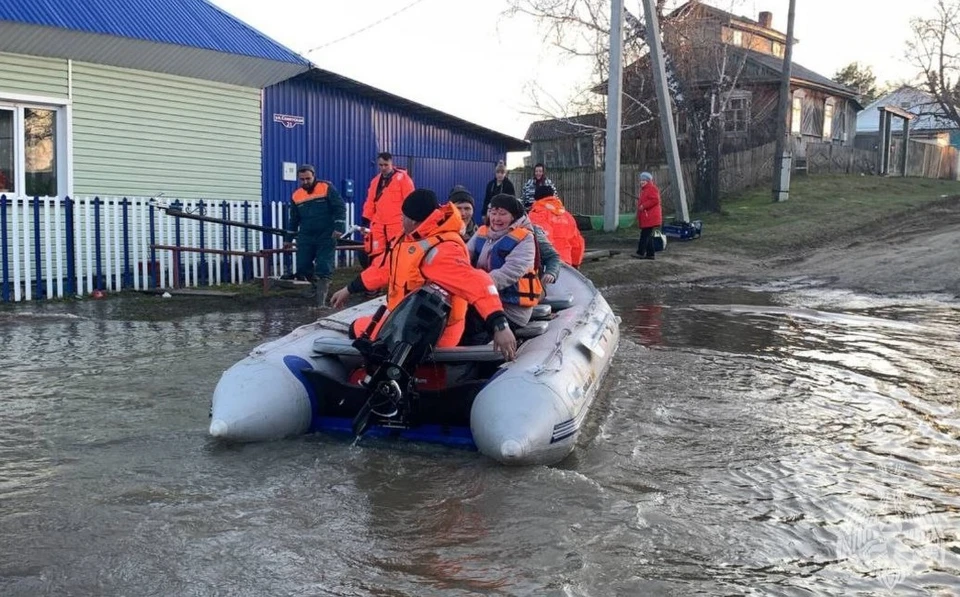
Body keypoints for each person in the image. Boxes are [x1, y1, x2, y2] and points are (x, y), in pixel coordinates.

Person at [330, 189, 517, 360]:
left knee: (360, 332)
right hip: (404, 320)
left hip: (432, 329)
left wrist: (499, 324)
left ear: (413, 220)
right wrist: (349, 288)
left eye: (403, 216)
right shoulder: (408, 238)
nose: (401, 221)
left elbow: (478, 282)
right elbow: (384, 269)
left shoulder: (440, 249)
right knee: (357, 327)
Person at [466, 194, 542, 331]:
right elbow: (464, 255)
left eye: (502, 214)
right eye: (493, 213)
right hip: (482, 297)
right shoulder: (483, 232)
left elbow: (512, 271)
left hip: (511, 310)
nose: (496, 218)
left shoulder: (525, 238)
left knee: (469, 325)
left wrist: (477, 284)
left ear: (513, 216)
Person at [283, 164, 346, 305]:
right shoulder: (296, 195)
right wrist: (288, 239)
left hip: (327, 234)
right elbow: (294, 219)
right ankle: (315, 285)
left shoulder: (326, 188)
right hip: (306, 235)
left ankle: (320, 303)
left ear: (314, 176)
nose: (305, 182)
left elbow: (339, 207)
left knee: (324, 266)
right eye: (302, 179)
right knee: (302, 265)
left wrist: (339, 227)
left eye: (308, 179)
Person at [362, 152, 415, 260]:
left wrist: (410, 221)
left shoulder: (403, 179)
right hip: (378, 224)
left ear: (391, 163)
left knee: (397, 252)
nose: (383, 168)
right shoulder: (375, 181)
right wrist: (365, 220)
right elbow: (370, 202)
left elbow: (410, 200)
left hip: (396, 224)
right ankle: (378, 275)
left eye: (386, 165)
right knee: (376, 254)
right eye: (381, 165)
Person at [526, 185, 585, 268]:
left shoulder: (536, 215)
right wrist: (575, 263)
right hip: (566, 262)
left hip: (546, 264)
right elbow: (577, 242)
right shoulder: (567, 216)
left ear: (536, 198)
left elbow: (542, 240)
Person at [635, 171, 663, 260]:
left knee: (644, 235)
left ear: (648, 181)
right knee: (648, 235)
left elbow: (655, 200)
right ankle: (650, 254)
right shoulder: (645, 190)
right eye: (641, 180)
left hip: (650, 217)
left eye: (644, 180)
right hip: (648, 217)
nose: (642, 182)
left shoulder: (651, 188)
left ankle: (641, 252)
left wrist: (643, 206)